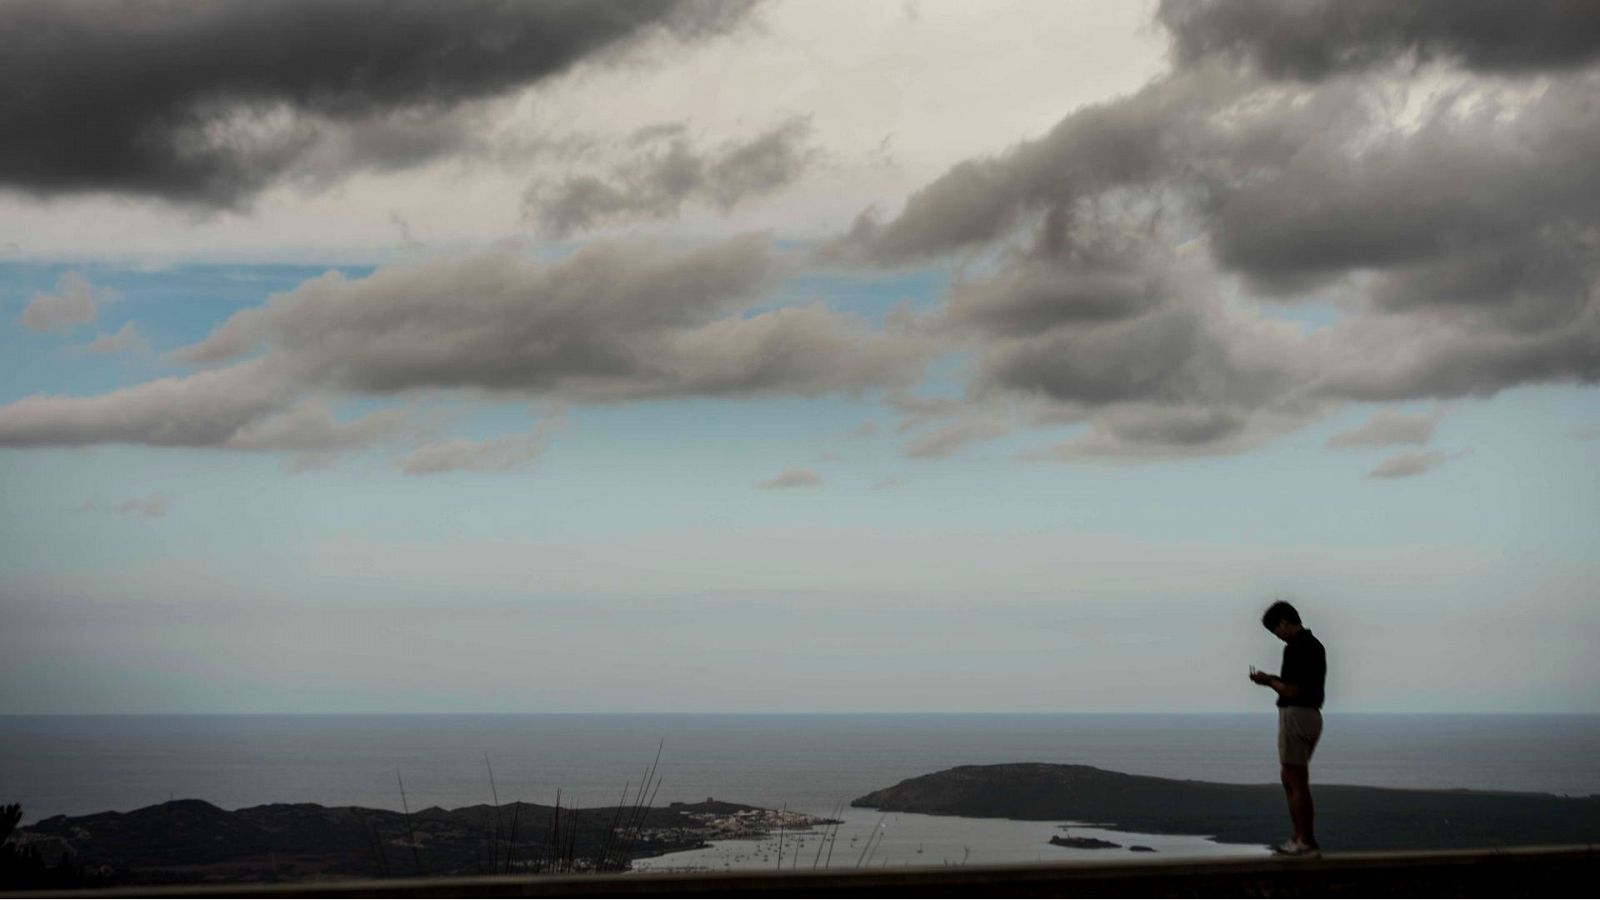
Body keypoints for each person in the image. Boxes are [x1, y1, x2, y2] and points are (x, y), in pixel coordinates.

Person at [1249, 600, 1326, 858]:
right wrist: (1274, 680)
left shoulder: (1294, 649)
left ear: (1283, 622)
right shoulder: (1315, 646)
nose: (1277, 636)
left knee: (1295, 781)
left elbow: (1293, 689)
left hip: (1295, 714)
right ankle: (1300, 839)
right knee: (1291, 778)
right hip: (1313, 716)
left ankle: (1303, 841)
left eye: (1275, 630)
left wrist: (1268, 681)